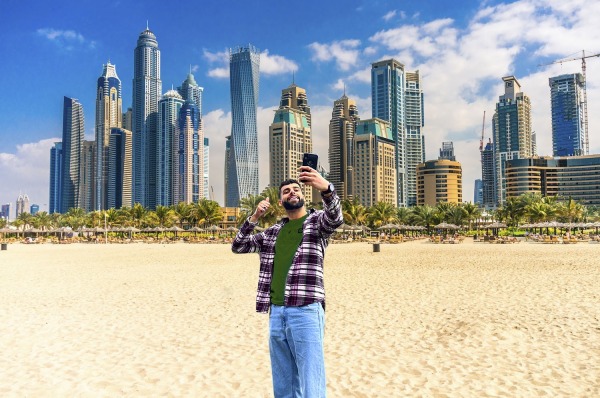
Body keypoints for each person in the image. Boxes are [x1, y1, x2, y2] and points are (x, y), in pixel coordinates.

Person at [231, 165, 343, 397]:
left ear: (303, 196)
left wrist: (327, 189)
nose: (292, 193)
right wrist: (254, 218)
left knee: (311, 380)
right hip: (277, 312)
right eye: (286, 192)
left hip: (306, 310)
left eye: (296, 189)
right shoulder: (272, 232)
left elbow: (335, 218)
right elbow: (239, 245)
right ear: (280, 202)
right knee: (283, 383)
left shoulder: (317, 223)